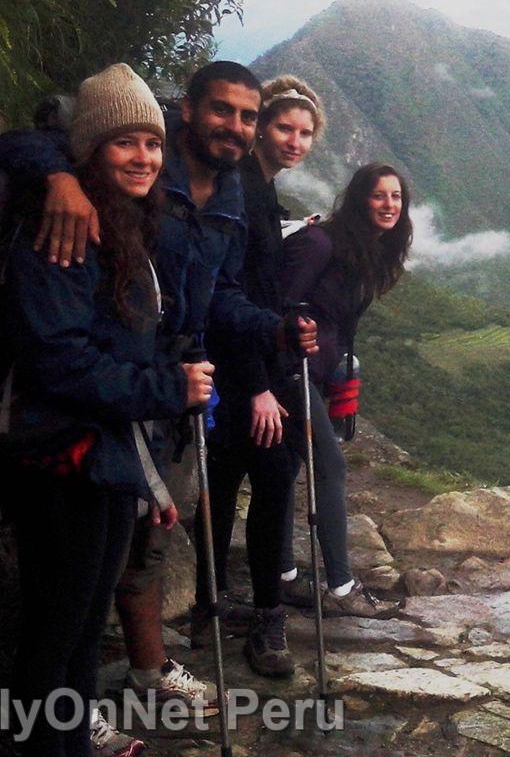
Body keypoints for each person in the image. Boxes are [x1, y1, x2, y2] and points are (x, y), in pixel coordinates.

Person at [0, 61, 317, 743]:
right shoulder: (76, 220)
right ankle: (62, 721)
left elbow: (212, 297)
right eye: (222, 110)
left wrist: (273, 331)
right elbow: (63, 358)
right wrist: (58, 180)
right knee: (65, 614)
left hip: (133, 423)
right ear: (188, 109)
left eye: (247, 116)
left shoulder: (207, 200)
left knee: (102, 595)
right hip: (80, 435)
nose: (235, 126)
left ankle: (85, 717)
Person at [0, 64, 214, 757]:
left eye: (152, 143)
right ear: (90, 150)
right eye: (124, 142)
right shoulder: (62, 229)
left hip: (103, 456)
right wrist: (170, 390)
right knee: (56, 628)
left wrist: (147, 473)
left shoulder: (123, 225)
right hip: (60, 459)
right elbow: (60, 362)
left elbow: (116, 350)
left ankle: (72, 743)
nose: (143, 157)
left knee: (86, 624)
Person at [195, 76, 324, 677]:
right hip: (242, 369)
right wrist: (257, 387)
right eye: (283, 127)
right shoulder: (242, 190)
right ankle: (265, 617)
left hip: (244, 359)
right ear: (261, 129)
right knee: (272, 484)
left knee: (223, 486)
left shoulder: (258, 189)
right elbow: (229, 292)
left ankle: (210, 604)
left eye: (305, 133)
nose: (294, 141)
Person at [277, 163, 413, 616]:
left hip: (318, 371)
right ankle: (341, 586)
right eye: (379, 195)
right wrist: (295, 334)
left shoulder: (364, 251)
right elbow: (279, 304)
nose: (389, 205)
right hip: (287, 369)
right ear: (359, 199)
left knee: (288, 466)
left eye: (396, 197)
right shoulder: (320, 243)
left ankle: (282, 575)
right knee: (330, 465)